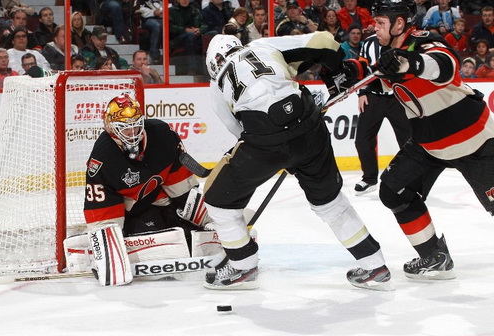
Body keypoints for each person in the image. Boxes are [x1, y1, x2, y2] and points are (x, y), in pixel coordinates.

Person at [202, 33, 394, 291]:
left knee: (218, 199)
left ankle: (242, 266)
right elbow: (325, 42)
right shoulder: (261, 46)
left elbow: (238, 130)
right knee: (330, 203)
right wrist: (336, 73)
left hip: (265, 143)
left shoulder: (216, 85)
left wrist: (278, 151)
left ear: (212, 64)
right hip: (310, 128)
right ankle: (374, 264)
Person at [372, 0, 494, 280]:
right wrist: (352, 73)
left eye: (380, 22)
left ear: (399, 23)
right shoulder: (390, 53)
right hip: (429, 145)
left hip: (474, 141)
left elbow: (445, 67)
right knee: (394, 191)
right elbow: (383, 80)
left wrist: (409, 62)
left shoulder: (423, 41)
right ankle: (434, 256)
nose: (374, 27)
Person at [81, 94, 217, 286]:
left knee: (186, 232)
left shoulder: (162, 134)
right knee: (164, 238)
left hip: (160, 199)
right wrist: (106, 250)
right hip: (133, 212)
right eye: (126, 130)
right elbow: (103, 215)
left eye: (136, 126)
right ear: (112, 129)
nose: (133, 133)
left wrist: (208, 220)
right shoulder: (102, 159)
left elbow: (181, 187)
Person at [354, 34, 411, 195]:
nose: (378, 27)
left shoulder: (403, 40)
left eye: (381, 22)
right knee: (363, 140)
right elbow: (362, 69)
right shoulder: (369, 43)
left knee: (408, 141)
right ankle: (369, 179)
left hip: (398, 97)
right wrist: (361, 92)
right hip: (372, 97)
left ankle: (410, 179)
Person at [169, 0, 208, 75]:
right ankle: (192, 68)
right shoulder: (172, 11)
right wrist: (185, 30)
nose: (185, 1)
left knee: (211, 35)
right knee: (190, 36)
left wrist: (199, 30)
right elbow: (170, 27)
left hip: (195, 35)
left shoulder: (195, 10)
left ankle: (208, 70)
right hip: (177, 38)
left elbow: (205, 24)